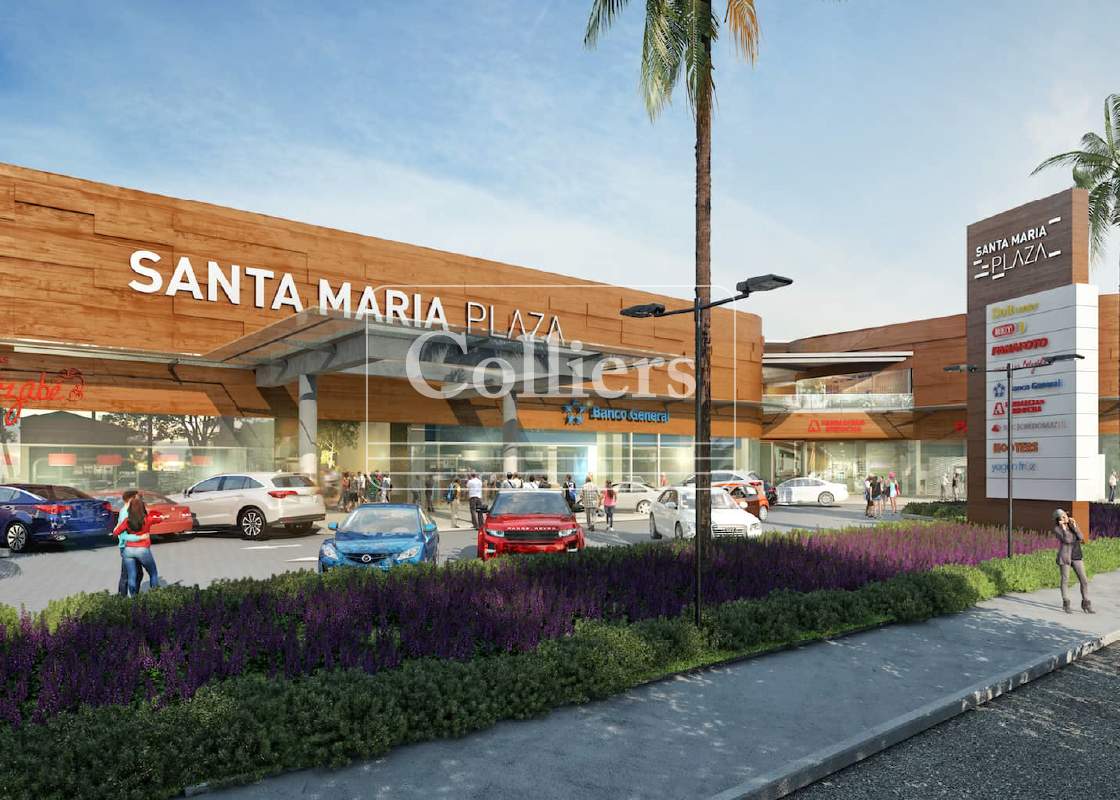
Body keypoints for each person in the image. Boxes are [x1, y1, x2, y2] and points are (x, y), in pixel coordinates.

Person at [113, 493, 159, 596]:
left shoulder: (127, 519)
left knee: (132, 575)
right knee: (153, 573)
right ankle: (155, 595)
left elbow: (116, 532)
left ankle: (133, 599)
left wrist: (116, 529)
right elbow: (157, 519)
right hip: (141, 549)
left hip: (128, 550)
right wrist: (140, 537)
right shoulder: (145, 519)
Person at [1053, 509, 1093, 614]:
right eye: (1061, 517)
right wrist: (1064, 528)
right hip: (1065, 556)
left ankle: (1086, 604)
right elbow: (1068, 540)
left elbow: (1081, 537)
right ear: (1058, 520)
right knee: (1065, 580)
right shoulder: (1057, 529)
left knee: (1084, 580)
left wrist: (1075, 525)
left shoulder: (1072, 525)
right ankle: (1066, 603)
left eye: (1065, 515)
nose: (1064, 517)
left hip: (1077, 555)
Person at [112, 489, 140, 596]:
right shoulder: (125, 513)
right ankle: (123, 600)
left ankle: (130, 597)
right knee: (128, 575)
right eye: (137, 497)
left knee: (135, 574)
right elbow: (123, 532)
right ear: (131, 499)